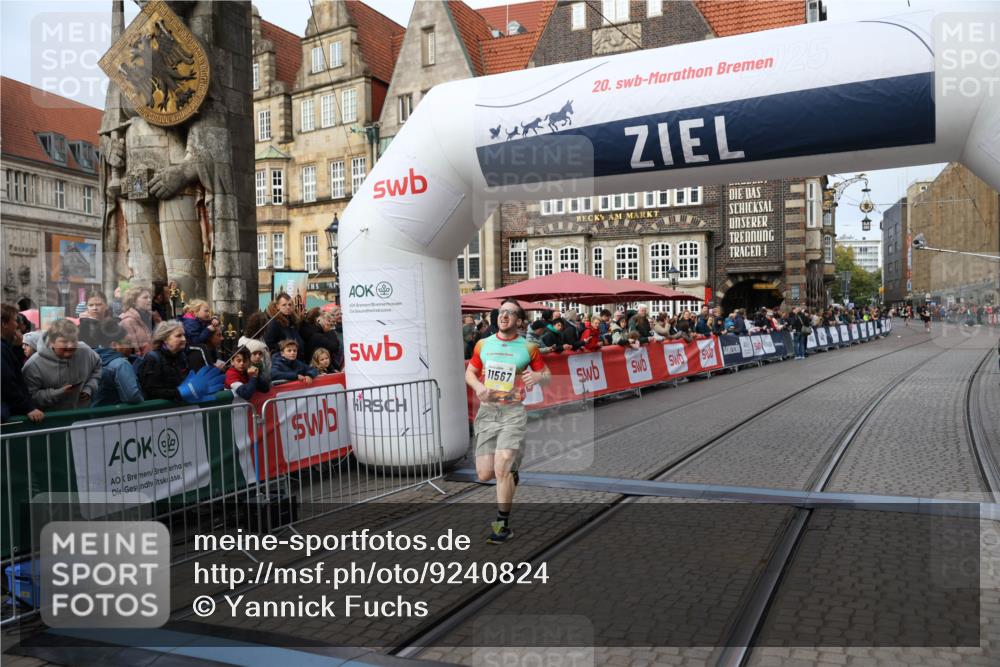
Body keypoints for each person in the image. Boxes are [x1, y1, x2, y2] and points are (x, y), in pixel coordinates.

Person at [465, 299, 550, 544]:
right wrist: (479, 387)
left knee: (501, 467)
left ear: (520, 321)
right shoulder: (483, 344)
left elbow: (546, 376)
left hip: (512, 412)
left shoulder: (529, 347)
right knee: (484, 474)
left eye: (511, 313)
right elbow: (470, 372)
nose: (504, 316)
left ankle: (502, 524)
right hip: (487, 413)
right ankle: (511, 473)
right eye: (502, 312)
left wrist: (537, 376)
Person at [23, 319, 102, 411]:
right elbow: (30, 396)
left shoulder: (86, 352)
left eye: (74, 340)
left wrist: (89, 388)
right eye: (64, 342)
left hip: (82, 416)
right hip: (52, 421)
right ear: (52, 342)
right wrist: (58, 393)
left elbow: (97, 368)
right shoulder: (33, 365)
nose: (70, 346)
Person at [139, 321, 224, 403]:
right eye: (178, 336)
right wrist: (179, 393)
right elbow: (150, 391)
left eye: (184, 335)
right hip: (159, 414)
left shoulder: (182, 356)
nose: (183, 339)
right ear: (165, 339)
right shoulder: (152, 358)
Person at [1, 304, 44, 422]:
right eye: (15, 321)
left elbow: (14, 368)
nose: (17, 325)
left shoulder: (5, 346)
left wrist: (17, 347)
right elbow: (7, 383)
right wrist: (28, 408)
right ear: (4, 324)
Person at [94, 325, 144, 407]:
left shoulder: (93, 359)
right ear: (114, 345)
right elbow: (132, 397)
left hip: (96, 414)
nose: (131, 347)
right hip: (117, 415)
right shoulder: (121, 364)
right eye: (128, 343)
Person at [119, 285, 161, 355]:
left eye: (150, 297)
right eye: (145, 297)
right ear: (134, 301)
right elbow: (135, 352)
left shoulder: (153, 317)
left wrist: (158, 323)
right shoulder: (128, 321)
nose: (149, 300)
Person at [263, 294, 303, 359]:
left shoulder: (293, 321)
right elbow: (268, 343)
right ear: (277, 306)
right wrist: (284, 346)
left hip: (297, 360)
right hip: (283, 361)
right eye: (284, 305)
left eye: (290, 305)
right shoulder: (274, 323)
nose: (288, 307)